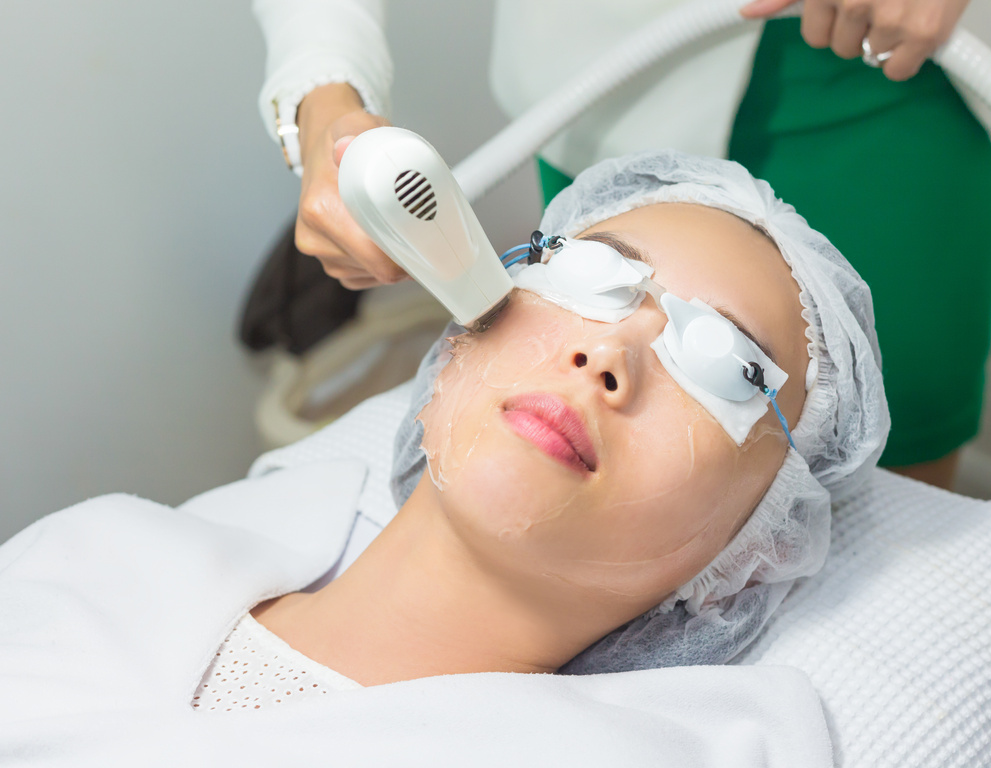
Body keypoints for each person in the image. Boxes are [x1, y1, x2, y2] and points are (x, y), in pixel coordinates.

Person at [2, 153, 886, 742]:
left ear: (745, 556)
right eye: (593, 275)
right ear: (464, 330)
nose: (609, 357)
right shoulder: (91, 556)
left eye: (729, 368)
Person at [253, 0, 991, 490]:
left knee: (895, 491)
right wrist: (323, 97)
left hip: (892, 70)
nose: (601, 365)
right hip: (615, 66)